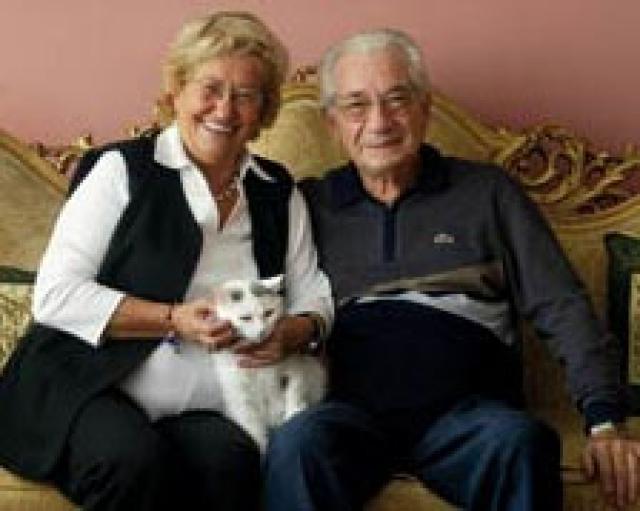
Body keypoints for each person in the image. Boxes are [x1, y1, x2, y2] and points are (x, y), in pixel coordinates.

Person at [263, 28, 640, 511]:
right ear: (332, 123)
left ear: (424, 109)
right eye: (356, 105)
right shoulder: (307, 205)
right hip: (348, 416)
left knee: (521, 442)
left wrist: (604, 418)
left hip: (469, 418)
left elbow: (561, 304)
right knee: (297, 446)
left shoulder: (487, 193)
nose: (379, 122)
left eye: (397, 100)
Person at [0, 11, 332, 511]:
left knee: (230, 462)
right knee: (129, 460)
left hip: (208, 403)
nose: (225, 109)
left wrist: (295, 331)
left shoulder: (276, 191)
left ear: (264, 109)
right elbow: (55, 296)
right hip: (89, 385)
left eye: (246, 95)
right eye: (210, 88)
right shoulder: (123, 170)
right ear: (177, 91)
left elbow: (313, 292)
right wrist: (172, 319)